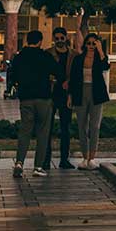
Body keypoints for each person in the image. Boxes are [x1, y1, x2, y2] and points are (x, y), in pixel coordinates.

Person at [8, 30, 56, 177]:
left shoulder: (19, 57)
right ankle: (38, 166)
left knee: (25, 131)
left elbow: (12, 75)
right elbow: (57, 71)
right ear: (40, 41)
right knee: (42, 132)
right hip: (43, 98)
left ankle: (19, 162)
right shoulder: (45, 56)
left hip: (26, 98)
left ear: (27, 40)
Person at [70, 33, 110, 169]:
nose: (91, 46)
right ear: (85, 45)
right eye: (89, 43)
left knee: (95, 126)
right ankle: (85, 157)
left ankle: (92, 158)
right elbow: (73, 78)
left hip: (96, 93)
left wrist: (101, 50)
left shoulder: (100, 58)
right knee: (82, 126)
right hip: (81, 93)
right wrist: (70, 96)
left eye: (94, 43)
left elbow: (106, 67)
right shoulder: (78, 59)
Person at [48, 27, 79, 169]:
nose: (59, 41)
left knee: (65, 128)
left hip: (66, 95)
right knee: (47, 128)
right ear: (53, 39)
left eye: (62, 38)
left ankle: (64, 159)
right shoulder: (48, 54)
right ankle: (45, 160)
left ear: (66, 38)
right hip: (51, 94)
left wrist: (70, 84)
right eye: (57, 38)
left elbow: (77, 74)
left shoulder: (74, 55)